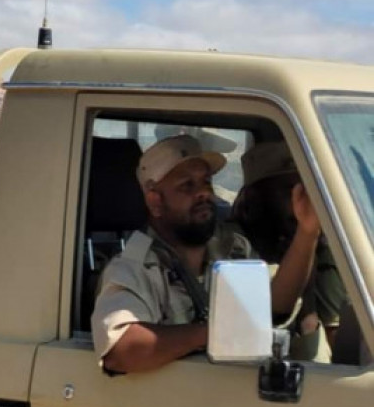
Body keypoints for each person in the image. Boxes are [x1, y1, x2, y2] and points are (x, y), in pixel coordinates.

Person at [91, 134, 321, 375]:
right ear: (155, 201)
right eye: (187, 185)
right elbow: (121, 351)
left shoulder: (232, 248)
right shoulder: (133, 267)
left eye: (206, 182)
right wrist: (216, 332)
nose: (203, 192)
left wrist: (307, 232)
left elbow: (275, 307)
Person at [230, 140, 346, 361]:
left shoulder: (324, 245)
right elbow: (272, 313)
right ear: (257, 197)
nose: (302, 202)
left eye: (307, 190)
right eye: (290, 191)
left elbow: (335, 343)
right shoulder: (234, 249)